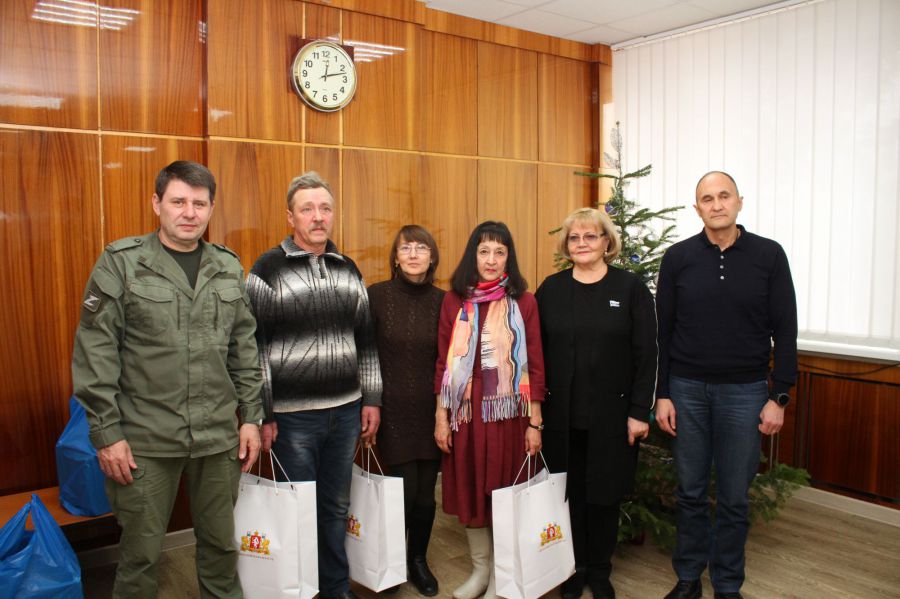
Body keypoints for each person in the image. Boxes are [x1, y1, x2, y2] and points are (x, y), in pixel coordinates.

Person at [72, 160, 264, 598]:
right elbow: (95, 354)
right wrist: (106, 434)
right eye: (178, 201)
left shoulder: (228, 267)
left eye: (199, 203)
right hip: (144, 439)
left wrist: (251, 416)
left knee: (220, 548)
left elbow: (245, 348)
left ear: (211, 208)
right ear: (157, 203)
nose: (189, 212)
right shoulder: (121, 263)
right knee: (140, 557)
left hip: (218, 437)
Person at [655, 171, 798, 599]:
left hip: (746, 392)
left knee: (735, 497)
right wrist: (662, 393)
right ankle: (687, 578)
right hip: (687, 390)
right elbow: (664, 332)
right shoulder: (678, 258)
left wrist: (779, 397)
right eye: (707, 198)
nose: (716, 204)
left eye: (724, 196)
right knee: (691, 492)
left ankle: (728, 583)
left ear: (739, 202)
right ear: (696, 207)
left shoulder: (769, 256)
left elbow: (785, 331)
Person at [246, 171, 382, 599]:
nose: (318, 217)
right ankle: (298, 590)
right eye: (307, 209)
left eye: (325, 208)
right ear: (291, 217)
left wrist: (372, 398)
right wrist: (262, 413)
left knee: (336, 508)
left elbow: (366, 342)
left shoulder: (348, 268)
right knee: (298, 512)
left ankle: (336, 589)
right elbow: (253, 348)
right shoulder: (267, 270)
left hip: (345, 413)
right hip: (292, 419)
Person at [535, 208, 657, 599]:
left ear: (607, 242)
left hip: (614, 417)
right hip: (561, 418)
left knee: (604, 497)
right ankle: (573, 569)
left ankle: (600, 571)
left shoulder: (630, 289)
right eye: (575, 238)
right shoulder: (550, 290)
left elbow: (647, 354)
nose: (582, 243)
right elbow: (534, 355)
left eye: (591, 236)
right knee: (567, 495)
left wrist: (640, 412)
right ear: (566, 245)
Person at [433, 221, 546, 599]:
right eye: (484, 251)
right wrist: (441, 417)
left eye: (500, 252)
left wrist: (535, 421)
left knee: (502, 492)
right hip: (465, 412)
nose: (492, 260)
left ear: (509, 258)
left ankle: (502, 575)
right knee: (470, 491)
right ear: (473, 256)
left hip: (507, 413)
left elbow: (536, 363)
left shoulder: (523, 302)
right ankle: (480, 571)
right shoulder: (454, 301)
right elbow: (442, 364)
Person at [367, 225, 445, 597]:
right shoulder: (376, 296)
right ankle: (393, 562)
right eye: (406, 248)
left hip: (434, 413)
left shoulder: (447, 302)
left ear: (432, 257)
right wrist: (369, 403)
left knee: (426, 496)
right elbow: (364, 356)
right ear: (396, 257)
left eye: (421, 248)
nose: (414, 254)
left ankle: (418, 560)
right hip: (390, 411)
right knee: (402, 492)